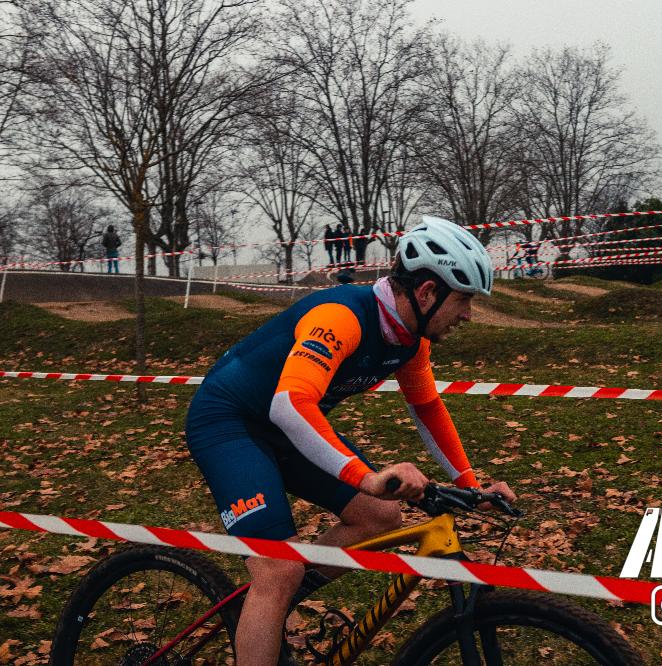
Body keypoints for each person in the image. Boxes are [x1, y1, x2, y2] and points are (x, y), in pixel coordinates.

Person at [185, 215, 515, 665]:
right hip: (228, 422)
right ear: (426, 293)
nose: (468, 314)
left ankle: (270, 603)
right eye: (463, 299)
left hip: (287, 425)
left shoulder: (410, 339)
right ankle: (273, 588)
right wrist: (365, 477)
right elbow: (289, 403)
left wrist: (471, 486)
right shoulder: (341, 317)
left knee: (379, 516)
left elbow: (427, 408)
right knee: (279, 567)